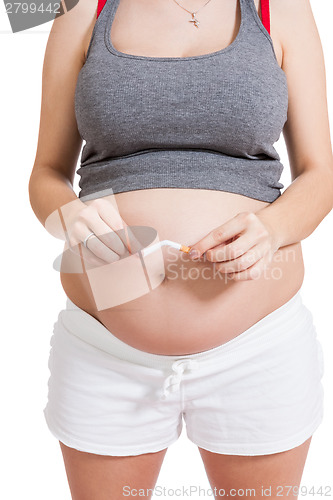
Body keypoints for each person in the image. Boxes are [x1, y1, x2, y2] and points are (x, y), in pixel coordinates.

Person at [28, 0, 333, 498]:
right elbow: (46, 174)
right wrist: (71, 216)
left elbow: (321, 174)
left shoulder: (280, 9)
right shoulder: (82, 8)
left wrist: (273, 229)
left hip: (257, 351)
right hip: (104, 351)